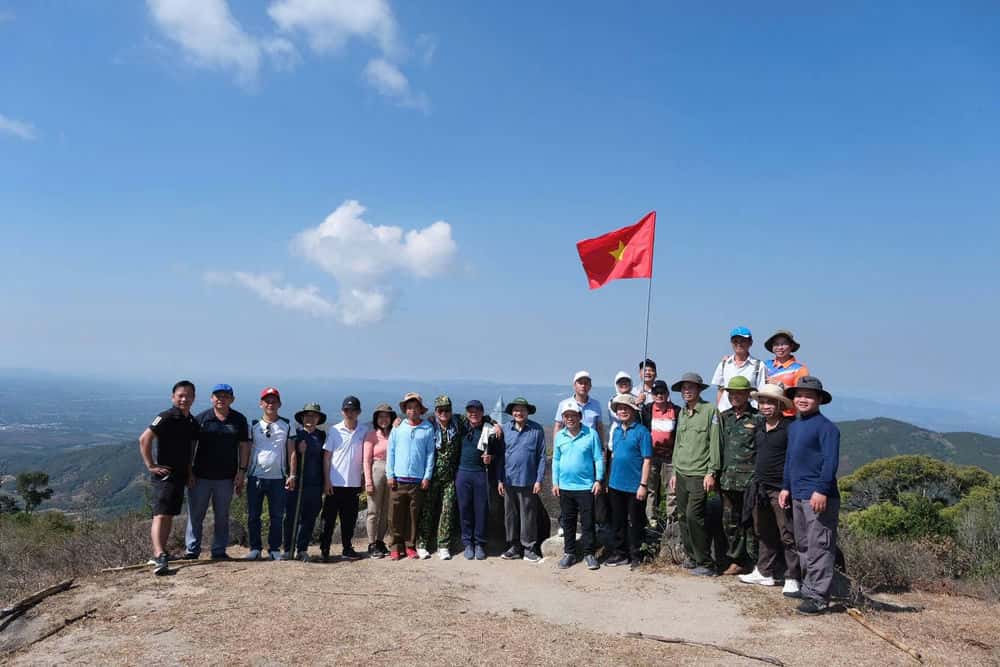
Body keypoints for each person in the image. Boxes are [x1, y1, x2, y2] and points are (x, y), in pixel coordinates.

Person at [779, 376, 840, 615]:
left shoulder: (827, 428)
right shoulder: (795, 426)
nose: (802, 399)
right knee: (803, 545)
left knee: (819, 546)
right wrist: (786, 486)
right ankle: (809, 588)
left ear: (819, 400)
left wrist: (822, 490)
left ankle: (819, 597)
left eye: (809, 395)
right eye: (799, 395)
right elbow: (790, 460)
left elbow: (830, 462)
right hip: (798, 494)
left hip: (818, 496)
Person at [739, 385, 800, 596]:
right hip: (760, 486)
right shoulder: (760, 427)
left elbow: (795, 459)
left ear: (780, 404)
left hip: (780, 489)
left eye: (770, 402)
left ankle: (793, 576)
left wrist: (788, 487)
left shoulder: (790, 428)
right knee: (763, 531)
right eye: (762, 402)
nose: (765, 406)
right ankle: (765, 571)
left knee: (787, 533)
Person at [138, 380, 200, 575]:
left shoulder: (191, 422)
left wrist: (190, 473)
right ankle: (159, 554)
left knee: (170, 514)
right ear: (173, 397)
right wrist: (151, 465)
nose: (184, 398)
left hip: (181, 474)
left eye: (188, 395)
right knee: (161, 514)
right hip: (166, 474)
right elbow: (144, 439)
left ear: (193, 398)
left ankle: (160, 552)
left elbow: (190, 451)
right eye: (180, 395)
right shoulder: (165, 417)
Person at [184, 383, 249, 561]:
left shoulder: (239, 420)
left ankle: (219, 550)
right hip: (200, 476)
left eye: (225, 396)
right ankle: (192, 550)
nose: (221, 399)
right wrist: (188, 471)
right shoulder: (201, 419)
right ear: (212, 398)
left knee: (222, 515)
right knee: (196, 514)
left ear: (232, 399)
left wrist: (242, 471)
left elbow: (244, 446)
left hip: (226, 477)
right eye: (218, 396)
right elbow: (191, 446)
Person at [669, 372, 721, 577]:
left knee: (694, 516)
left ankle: (706, 562)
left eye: (691, 387)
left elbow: (715, 443)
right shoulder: (682, 412)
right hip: (681, 472)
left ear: (699, 389)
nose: (687, 391)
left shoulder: (710, 411)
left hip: (700, 474)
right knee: (682, 516)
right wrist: (674, 470)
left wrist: (712, 472)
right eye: (684, 388)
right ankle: (692, 557)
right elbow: (678, 443)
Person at [243, 387, 296, 561]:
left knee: (277, 516)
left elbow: (291, 451)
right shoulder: (253, 426)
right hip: (255, 476)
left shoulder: (287, 425)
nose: (270, 404)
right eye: (267, 401)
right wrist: (242, 472)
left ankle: (274, 549)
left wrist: (292, 474)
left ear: (279, 404)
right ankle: (255, 548)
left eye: (274, 401)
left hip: (278, 478)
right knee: (253, 515)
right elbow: (247, 450)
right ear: (261, 404)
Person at [551, 400, 603, 570]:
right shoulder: (560, 436)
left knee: (588, 522)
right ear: (564, 418)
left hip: (586, 486)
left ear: (580, 417)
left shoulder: (591, 434)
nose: (570, 419)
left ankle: (589, 554)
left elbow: (598, 458)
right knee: (568, 521)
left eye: (573, 415)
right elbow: (556, 460)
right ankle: (569, 553)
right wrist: (555, 482)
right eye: (567, 416)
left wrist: (598, 480)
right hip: (565, 486)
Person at [717, 376, 759, 575]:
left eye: (739, 393)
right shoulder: (724, 418)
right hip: (727, 480)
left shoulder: (758, 418)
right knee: (729, 523)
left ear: (747, 395)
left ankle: (756, 562)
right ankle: (737, 560)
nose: (734, 396)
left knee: (751, 523)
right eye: (731, 393)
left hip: (749, 480)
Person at [386, 393, 436, 560]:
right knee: (395, 515)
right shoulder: (398, 427)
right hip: (398, 479)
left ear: (421, 410)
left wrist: (427, 476)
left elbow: (430, 454)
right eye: (409, 408)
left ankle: (410, 545)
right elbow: (390, 452)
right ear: (405, 410)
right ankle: (395, 546)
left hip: (417, 480)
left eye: (415, 408)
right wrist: (390, 474)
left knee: (413, 515)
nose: (412, 411)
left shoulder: (428, 428)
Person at [320, 395, 371, 562]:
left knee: (349, 519)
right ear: (342, 412)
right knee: (328, 519)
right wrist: (326, 481)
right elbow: (326, 457)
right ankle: (325, 549)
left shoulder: (364, 431)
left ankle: (347, 548)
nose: (350, 413)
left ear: (359, 412)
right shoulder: (334, 430)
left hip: (354, 483)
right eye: (347, 410)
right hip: (335, 482)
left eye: (354, 410)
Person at [496, 397, 546, 563]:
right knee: (510, 515)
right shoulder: (505, 429)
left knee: (528, 516)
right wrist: (499, 480)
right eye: (516, 410)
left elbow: (541, 456)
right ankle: (514, 546)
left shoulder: (537, 430)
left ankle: (529, 548)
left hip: (528, 480)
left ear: (527, 412)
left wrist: (539, 480)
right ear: (512, 412)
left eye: (522, 410)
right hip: (509, 480)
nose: (519, 413)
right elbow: (500, 457)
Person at [606, 394, 653, 569]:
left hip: (634, 485)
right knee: (617, 521)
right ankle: (620, 553)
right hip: (615, 484)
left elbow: (647, 459)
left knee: (635, 522)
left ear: (634, 410)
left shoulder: (642, 432)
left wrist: (643, 484)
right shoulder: (617, 431)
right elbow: (614, 456)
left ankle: (637, 555)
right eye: (619, 408)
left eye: (626, 408)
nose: (622, 411)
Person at [416, 395, 464, 560]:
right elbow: (411, 423)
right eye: (440, 410)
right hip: (431, 476)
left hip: (450, 477)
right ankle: (421, 544)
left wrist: (494, 424)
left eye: (447, 409)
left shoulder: (458, 423)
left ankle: (443, 545)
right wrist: (397, 422)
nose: (444, 413)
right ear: (435, 411)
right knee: (427, 510)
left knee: (448, 510)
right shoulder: (428, 424)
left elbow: (478, 417)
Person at [282, 403, 327, 562]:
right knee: (292, 517)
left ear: (318, 419)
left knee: (309, 517)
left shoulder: (322, 436)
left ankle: (302, 549)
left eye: (313, 416)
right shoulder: (296, 435)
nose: (310, 418)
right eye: (307, 416)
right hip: (297, 484)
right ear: (302, 418)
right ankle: (288, 549)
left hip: (315, 484)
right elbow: (289, 457)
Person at [455, 400, 499, 561]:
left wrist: (491, 457)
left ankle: (480, 543)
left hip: (481, 473)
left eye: (477, 411)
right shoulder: (461, 426)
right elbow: (438, 417)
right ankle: (468, 543)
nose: (474, 413)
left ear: (482, 412)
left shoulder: (489, 430)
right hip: (462, 473)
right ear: (467, 413)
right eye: (470, 411)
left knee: (481, 509)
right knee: (464, 508)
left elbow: (498, 454)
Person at [640, 379, 679, 526]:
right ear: (652, 394)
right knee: (651, 490)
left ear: (667, 394)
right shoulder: (647, 410)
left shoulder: (676, 411)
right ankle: (651, 520)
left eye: (662, 392)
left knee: (671, 491)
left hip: (670, 457)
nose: (659, 395)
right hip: (651, 456)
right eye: (656, 393)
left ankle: (672, 522)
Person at [363, 403, 396, 559]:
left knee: (386, 511)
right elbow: (366, 460)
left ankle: (380, 541)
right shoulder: (372, 435)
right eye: (380, 416)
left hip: (392, 471)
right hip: (377, 468)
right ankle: (371, 544)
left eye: (386, 416)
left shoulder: (395, 433)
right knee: (373, 510)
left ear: (391, 418)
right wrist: (368, 481)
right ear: (376, 419)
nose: (384, 419)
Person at [711, 327, 767, 412]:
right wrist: (719, 411)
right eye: (735, 341)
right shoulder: (723, 364)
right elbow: (720, 391)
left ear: (750, 342)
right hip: (725, 413)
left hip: (750, 414)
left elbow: (761, 392)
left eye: (743, 341)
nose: (739, 344)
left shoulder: (759, 365)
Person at [763, 330, 809, 417]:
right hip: (765, 415)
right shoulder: (764, 365)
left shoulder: (800, 369)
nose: (780, 347)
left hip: (788, 416)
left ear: (791, 346)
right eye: (776, 344)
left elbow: (802, 395)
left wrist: (780, 385)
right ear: (772, 347)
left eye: (784, 344)